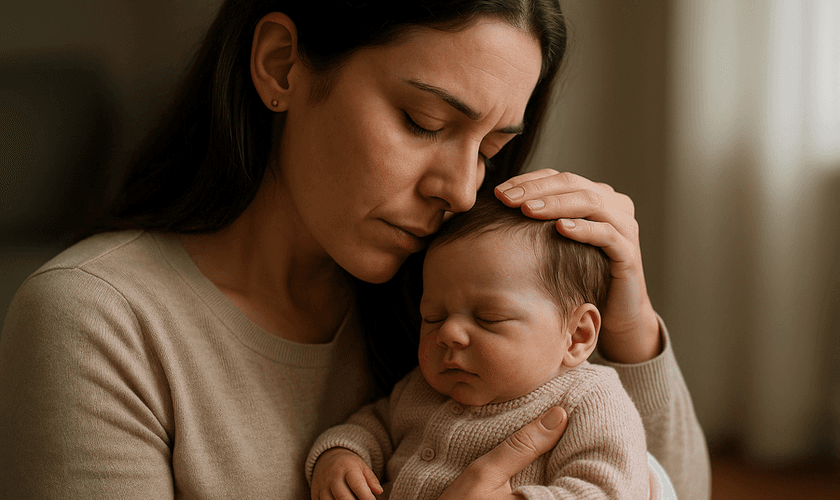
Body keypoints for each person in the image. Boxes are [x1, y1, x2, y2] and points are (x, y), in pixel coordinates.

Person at [0, 1, 710, 499]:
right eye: (423, 121)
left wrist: (629, 319)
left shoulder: (447, 302)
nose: (464, 191)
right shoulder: (98, 320)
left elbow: (662, 488)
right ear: (281, 66)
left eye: (492, 150)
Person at [307, 196, 650, 499]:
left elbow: (611, 489)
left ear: (577, 335)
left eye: (489, 318)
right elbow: (374, 426)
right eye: (434, 317)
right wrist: (342, 455)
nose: (449, 334)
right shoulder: (421, 389)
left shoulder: (590, 398)